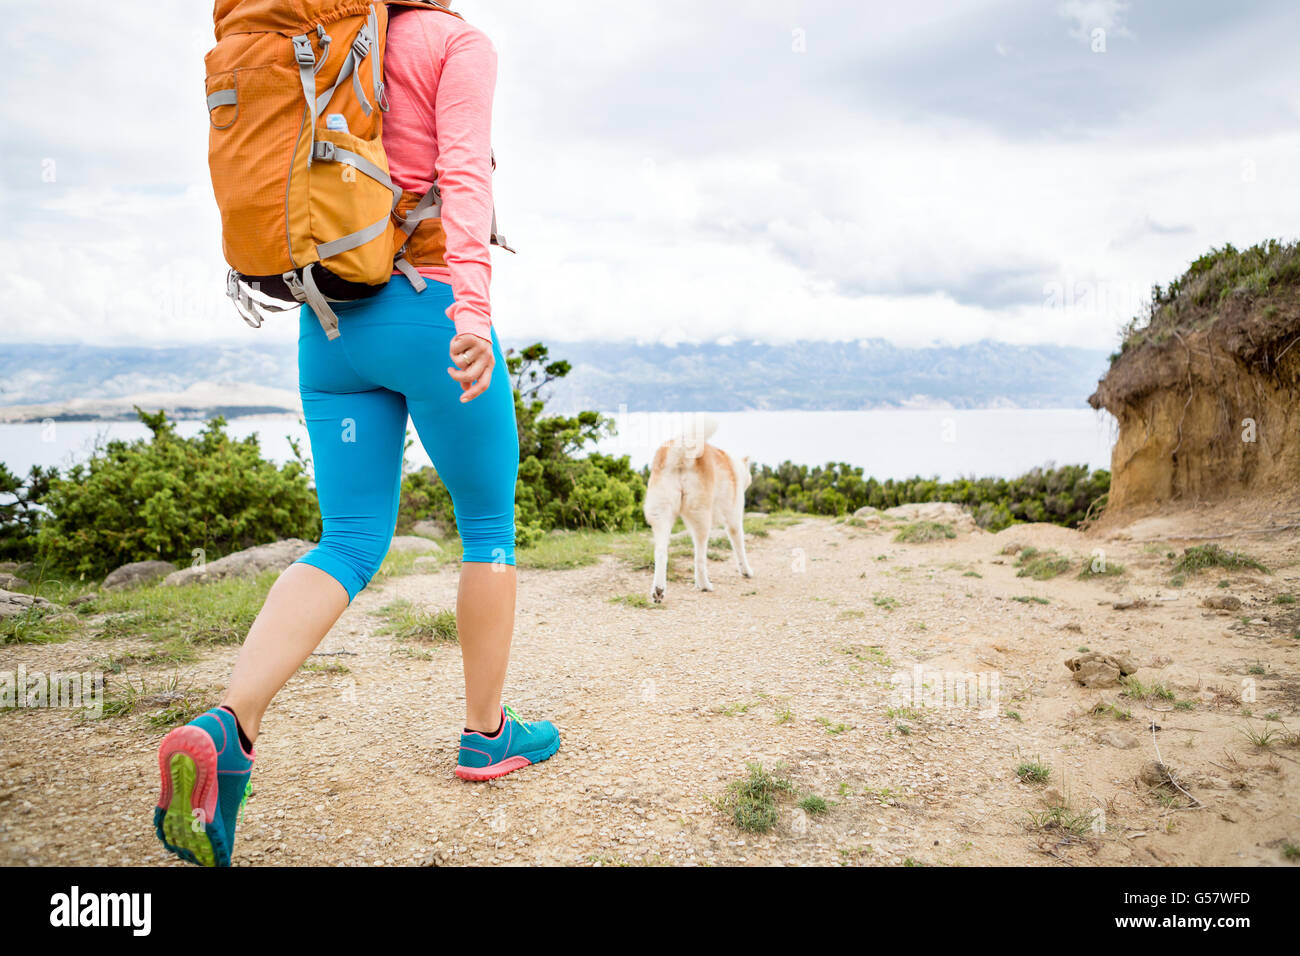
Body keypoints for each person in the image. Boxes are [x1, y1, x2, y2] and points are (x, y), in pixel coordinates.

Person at [153, 4, 558, 868]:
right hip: (431, 312)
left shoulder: (342, 36)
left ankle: (230, 726)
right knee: (486, 528)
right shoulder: (455, 42)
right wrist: (475, 315)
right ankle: (487, 735)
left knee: (346, 541)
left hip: (330, 323)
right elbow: (465, 176)